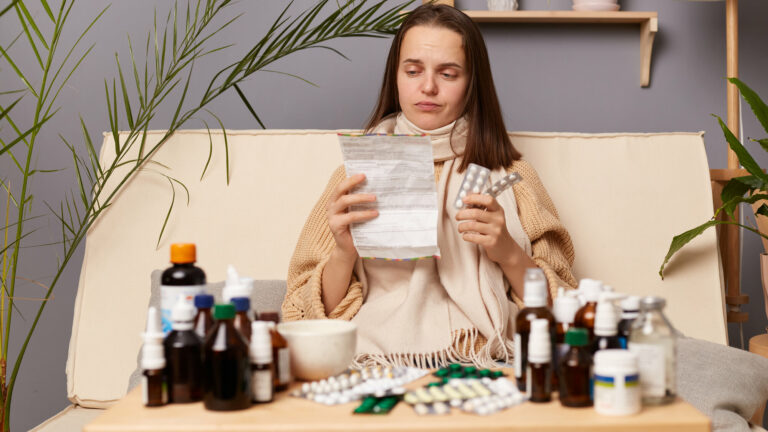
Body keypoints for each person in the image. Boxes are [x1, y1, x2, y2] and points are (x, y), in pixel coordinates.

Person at [282, 4, 576, 367]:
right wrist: (344, 252)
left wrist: (507, 251)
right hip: (375, 361)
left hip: (481, 358)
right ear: (396, 77)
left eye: (448, 74)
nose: (428, 87)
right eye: (413, 70)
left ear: (472, 84)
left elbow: (565, 306)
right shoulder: (355, 173)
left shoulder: (512, 174)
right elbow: (303, 313)